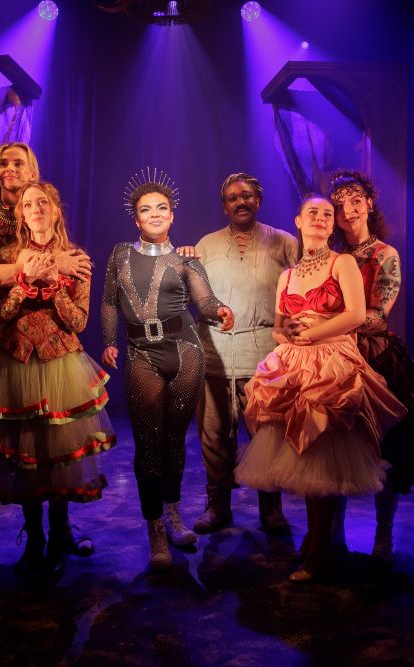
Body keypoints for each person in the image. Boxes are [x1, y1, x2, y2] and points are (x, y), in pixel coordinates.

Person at [234, 193, 405, 582]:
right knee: (302, 452)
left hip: (330, 359)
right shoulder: (287, 275)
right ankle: (317, 541)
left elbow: (356, 314)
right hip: (295, 359)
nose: (322, 218)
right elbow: (278, 328)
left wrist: (312, 333)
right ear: (297, 221)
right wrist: (287, 335)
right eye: (313, 212)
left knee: (321, 450)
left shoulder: (342, 262)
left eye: (328, 214)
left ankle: (320, 553)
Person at [0, 181, 114, 577]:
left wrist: (54, 289)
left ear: (55, 210)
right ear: (21, 215)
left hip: (60, 366)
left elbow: (78, 322)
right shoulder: (8, 258)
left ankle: (59, 535)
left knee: (57, 456)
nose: (36, 209)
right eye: (28, 204)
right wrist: (24, 283)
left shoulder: (75, 259)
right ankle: (34, 539)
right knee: (26, 455)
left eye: (43, 202)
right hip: (15, 362)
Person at [101, 169, 235, 570]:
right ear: (136, 219)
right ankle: (154, 525)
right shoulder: (120, 254)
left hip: (185, 350)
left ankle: (173, 513)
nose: (155, 214)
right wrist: (108, 340)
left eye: (162, 208)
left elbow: (205, 300)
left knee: (175, 439)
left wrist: (220, 310)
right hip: (141, 353)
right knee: (148, 442)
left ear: (172, 215)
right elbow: (109, 301)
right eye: (146, 209)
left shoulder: (185, 259)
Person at [327, 169, 414, 561]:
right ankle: (334, 533)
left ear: (370, 204)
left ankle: (383, 535)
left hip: (375, 357)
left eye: (356, 201)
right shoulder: (331, 256)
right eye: (340, 205)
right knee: (335, 446)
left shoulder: (384, 254)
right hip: (334, 355)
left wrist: (330, 325)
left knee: (384, 448)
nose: (349, 210)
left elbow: (378, 316)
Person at [190, 173, 299, 535]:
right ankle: (218, 506)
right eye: (233, 197)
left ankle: (271, 509)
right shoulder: (206, 245)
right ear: (224, 206)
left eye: (247, 195)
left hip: (265, 355)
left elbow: (302, 287)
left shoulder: (284, 242)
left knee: (267, 434)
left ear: (258, 201)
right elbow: (190, 293)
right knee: (214, 436)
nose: (241, 202)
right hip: (216, 352)